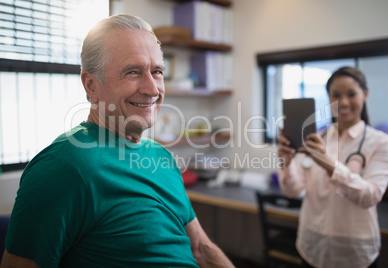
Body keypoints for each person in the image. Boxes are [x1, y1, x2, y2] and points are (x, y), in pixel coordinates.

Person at [0, 14, 234, 268]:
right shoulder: (62, 168)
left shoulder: (161, 157)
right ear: (91, 85)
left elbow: (200, 249)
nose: (152, 89)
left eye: (157, 72)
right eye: (133, 72)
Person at [277, 67, 388, 268]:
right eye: (336, 95)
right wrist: (286, 162)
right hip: (312, 248)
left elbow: (370, 196)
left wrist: (328, 163)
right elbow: (292, 190)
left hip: (355, 254)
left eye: (351, 94)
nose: (344, 102)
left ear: (365, 94)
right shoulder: (316, 139)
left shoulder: (382, 143)